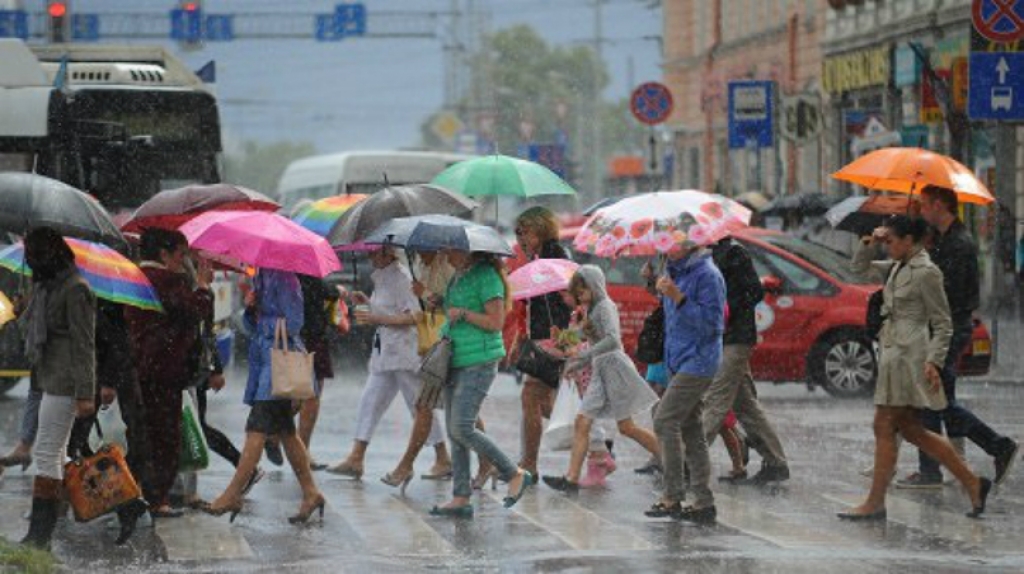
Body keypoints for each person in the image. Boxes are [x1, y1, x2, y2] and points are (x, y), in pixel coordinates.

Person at [840, 215, 992, 520]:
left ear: (910, 241)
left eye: (893, 240)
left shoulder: (926, 272)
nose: (889, 246)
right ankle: (973, 483)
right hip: (894, 351)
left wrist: (934, 361)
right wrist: (872, 240)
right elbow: (857, 270)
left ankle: (875, 502)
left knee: (884, 424)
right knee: (912, 430)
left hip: (911, 356)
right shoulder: (898, 266)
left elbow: (943, 323)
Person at [895, 185, 1019, 489]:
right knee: (938, 401)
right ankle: (937, 467)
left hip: (949, 328)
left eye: (925, 205)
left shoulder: (958, 244)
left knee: (936, 401)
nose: (922, 210)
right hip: (945, 327)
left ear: (940, 205)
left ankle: (994, 447)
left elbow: (946, 292)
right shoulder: (945, 240)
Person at [203, 268, 326, 524]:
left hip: (278, 364)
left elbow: (294, 323)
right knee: (287, 433)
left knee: (255, 429)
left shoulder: (286, 278)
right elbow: (251, 327)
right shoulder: (261, 276)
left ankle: (232, 494)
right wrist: (251, 308)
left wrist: (265, 315)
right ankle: (311, 492)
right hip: (264, 362)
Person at [327, 247, 448, 480]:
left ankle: (442, 457)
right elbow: (383, 311)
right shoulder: (381, 277)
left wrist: (377, 317)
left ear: (388, 253)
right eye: (370, 253)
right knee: (370, 401)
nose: (371, 257)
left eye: (375, 253)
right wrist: (366, 304)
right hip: (385, 353)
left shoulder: (402, 277)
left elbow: (415, 315)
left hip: (404, 353)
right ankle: (356, 456)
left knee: (419, 407)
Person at [429, 249, 532, 517]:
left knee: (462, 427)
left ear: (467, 251)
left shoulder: (487, 277)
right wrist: (439, 303)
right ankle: (461, 497)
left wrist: (462, 313)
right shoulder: (459, 277)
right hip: (456, 357)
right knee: (455, 431)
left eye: (451, 249)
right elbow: (457, 310)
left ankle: (514, 473)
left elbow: (496, 322)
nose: (446, 255)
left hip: (480, 360)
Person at [542, 266, 661, 493]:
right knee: (582, 421)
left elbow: (612, 340)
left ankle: (673, 459)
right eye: (578, 293)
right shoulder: (592, 308)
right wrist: (564, 339)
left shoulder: (605, 307)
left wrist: (583, 356)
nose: (580, 297)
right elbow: (588, 336)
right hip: (600, 370)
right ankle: (571, 478)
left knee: (627, 427)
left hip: (614, 369)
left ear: (593, 285)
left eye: (582, 291)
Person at [126, 228, 214, 518]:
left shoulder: (133, 277)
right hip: (165, 369)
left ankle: (136, 492)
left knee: (143, 433)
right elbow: (192, 312)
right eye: (180, 254)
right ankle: (157, 498)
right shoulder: (166, 280)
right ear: (164, 254)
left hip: (139, 366)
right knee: (165, 436)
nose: (182, 261)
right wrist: (202, 288)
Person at [18, 227, 96, 549]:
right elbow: (32, 329)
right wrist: (27, 306)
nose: (30, 262)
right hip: (50, 377)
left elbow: (84, 343)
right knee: (57, 453)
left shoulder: (76, 289)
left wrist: (85, 393)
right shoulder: (47, 288)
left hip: (66, 381)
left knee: (47, 452)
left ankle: (39, 534)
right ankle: (45, 529)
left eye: (34, 255)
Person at [648, 236, 726, 525]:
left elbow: (713, 325)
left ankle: (672, 496)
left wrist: (679, 297)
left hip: (700, 360)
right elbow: (672, 317)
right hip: (678, 358)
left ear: (690, 243)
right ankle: (704, 503)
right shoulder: (673, 270)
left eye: (673, 241)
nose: (666, 246)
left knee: (663, 419)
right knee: (691, 427)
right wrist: (656, 286)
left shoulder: (708, 275)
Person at [706, 236, 790, 485]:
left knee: (715, 399)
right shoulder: (703, 255)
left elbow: (753, 292)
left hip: (736, 337)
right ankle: (776, 462)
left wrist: (725, 308)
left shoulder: (734, 253)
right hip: (721, 337)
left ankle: (689, 463)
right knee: (745, 405)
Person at [512, 207, 573, 478]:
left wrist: (563, 338)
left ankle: (529, 464)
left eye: (525, 232)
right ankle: (594, 444)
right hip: (546, 337)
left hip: (555, 338)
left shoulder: (554, 257)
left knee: (530, 397)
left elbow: (566, 302)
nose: (521, 238)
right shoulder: (539, 257)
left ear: (540, 230)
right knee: (547, 404)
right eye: (517, 233)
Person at [297, 274, 338, 470]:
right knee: (311, 397)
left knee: (297, 395)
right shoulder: (308, 275)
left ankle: (279, 435)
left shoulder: (282, 272)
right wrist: (337, 291)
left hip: (296, 337)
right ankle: (301, 450)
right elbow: (325, 291)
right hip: (311, 338)